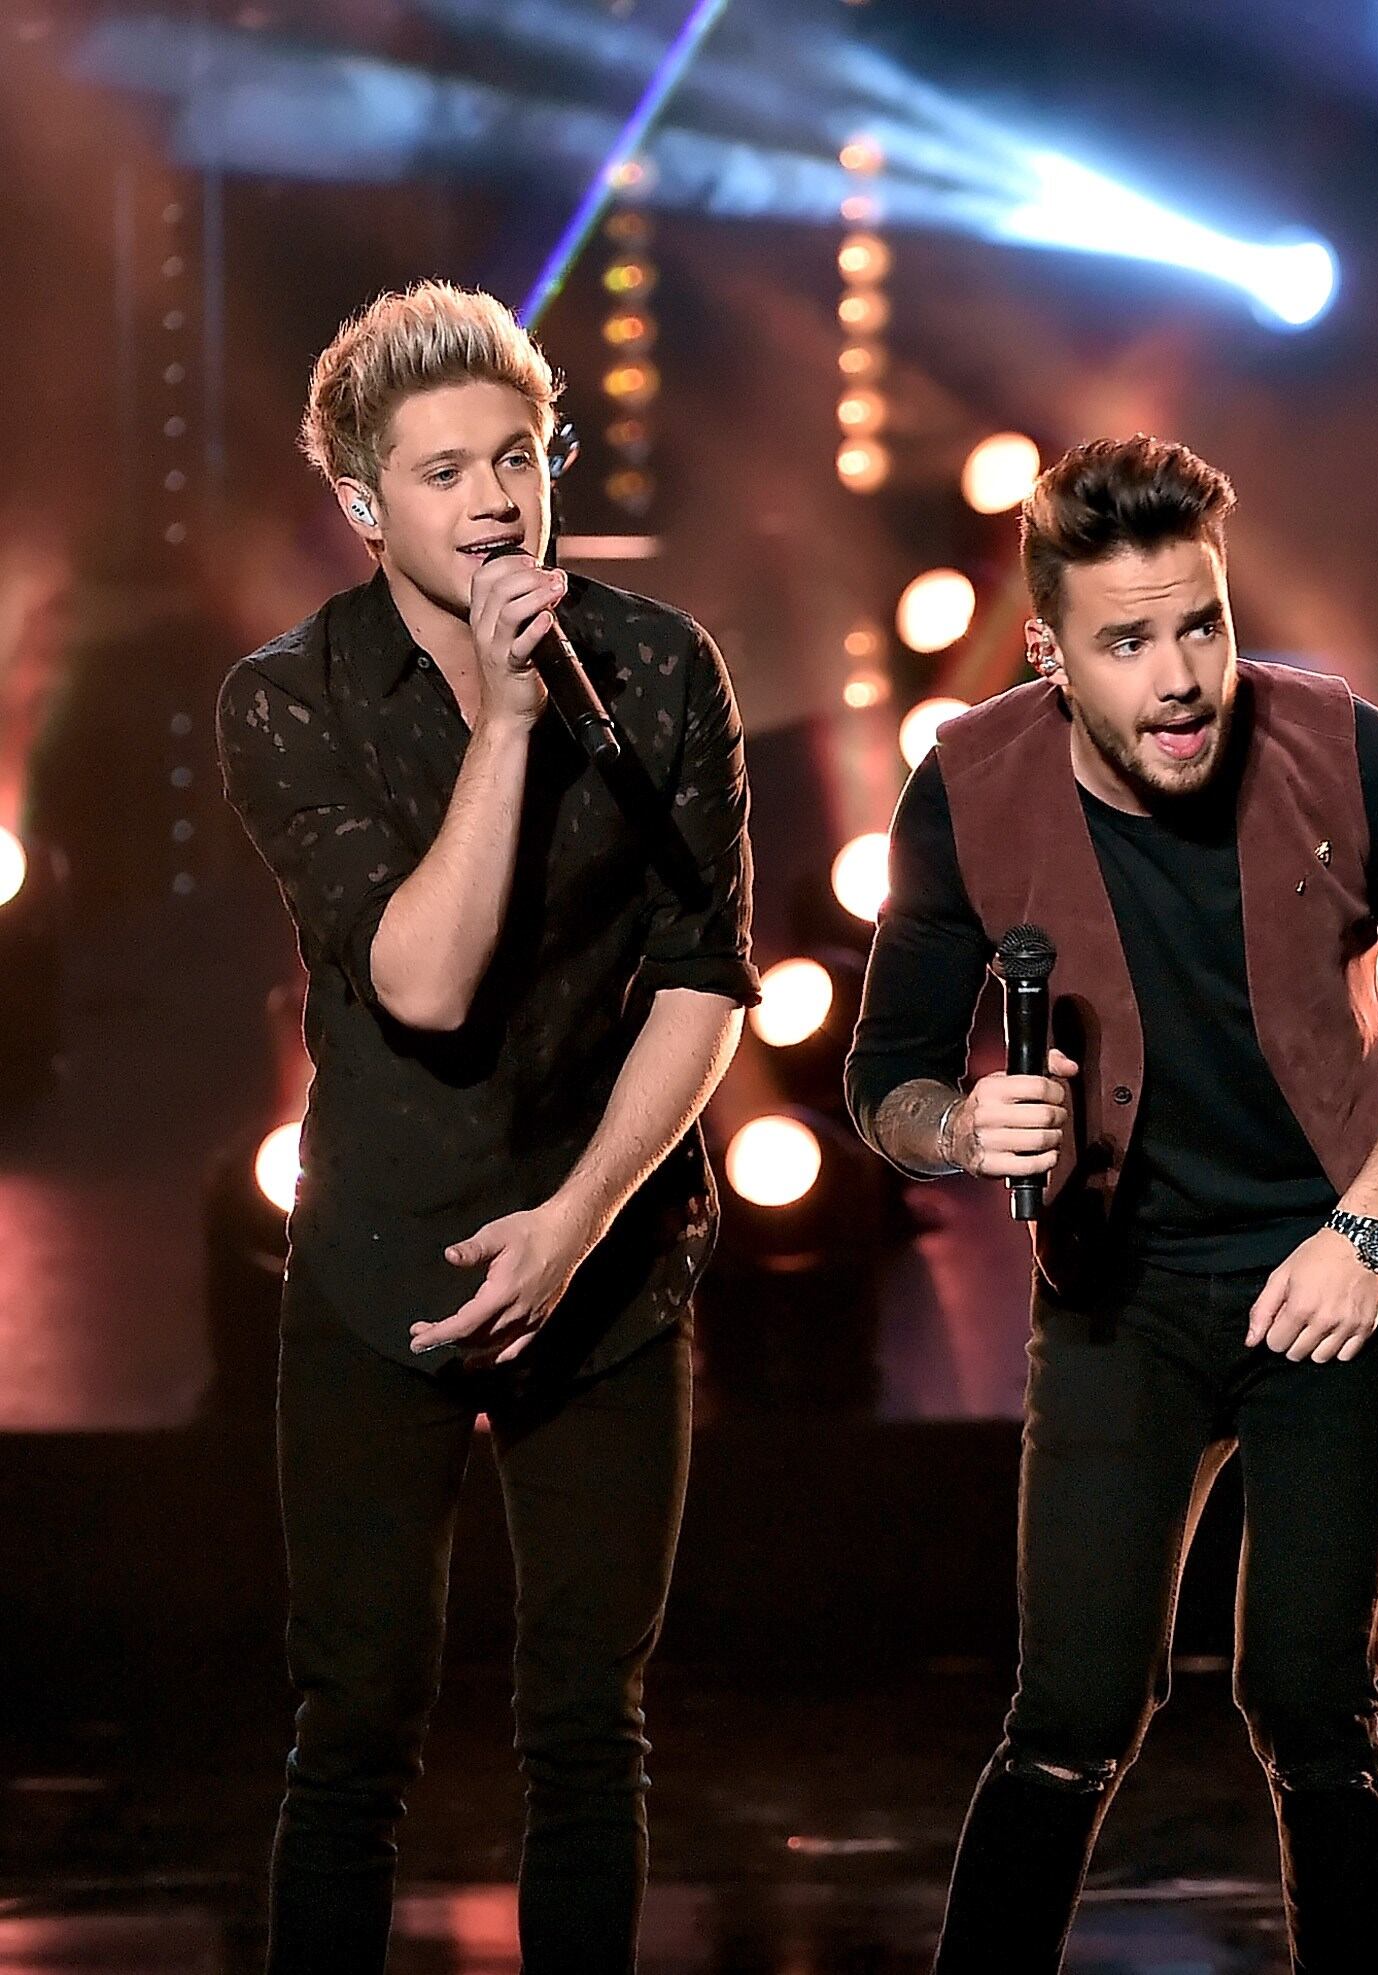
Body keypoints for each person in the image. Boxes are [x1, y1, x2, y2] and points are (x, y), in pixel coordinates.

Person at [845, 435, 1378, 1973]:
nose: (1179, 678)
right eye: (1128, 642)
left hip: (1330, 1266)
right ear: (1049, 652)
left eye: (1201, 625)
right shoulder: (967, 788)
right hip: (1121, 1290)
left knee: (1315, 1709)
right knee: (1070, 1716)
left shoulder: (1354, 754)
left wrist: (1370, 1228)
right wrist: (965, 1125)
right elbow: (886, 1078)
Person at [217, 281, 753, 1973]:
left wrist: (579, 1222)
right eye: (445, 472)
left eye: (517, 458)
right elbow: (427, 983)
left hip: (606, 1250)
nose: (497, 502)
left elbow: (706, 980)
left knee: (590, 1728)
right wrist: (511, 728)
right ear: (364, 503)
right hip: (381, 1244)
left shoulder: (659, 667)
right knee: (354, 1728)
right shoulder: (290, 698)